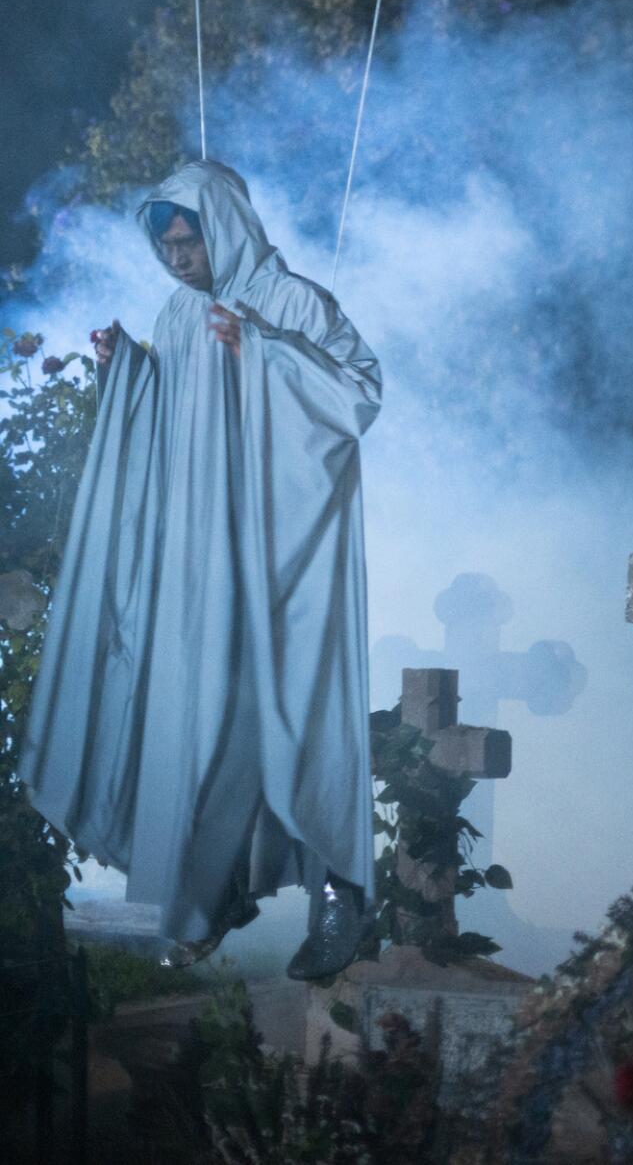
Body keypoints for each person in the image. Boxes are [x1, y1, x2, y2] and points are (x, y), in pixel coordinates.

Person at [22, 160, 383, 980]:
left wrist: (265, 348)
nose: (182, 260)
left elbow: (359, 395)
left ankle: (340, 899)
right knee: (197, 724)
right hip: (196, 558)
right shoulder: (179, 314)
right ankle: (205, 898)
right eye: (170, 248)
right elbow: (176, 419)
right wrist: (130, 376)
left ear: (225, 227)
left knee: (291, 716)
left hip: (278, 555)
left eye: (191, 241)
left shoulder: (294, 302)